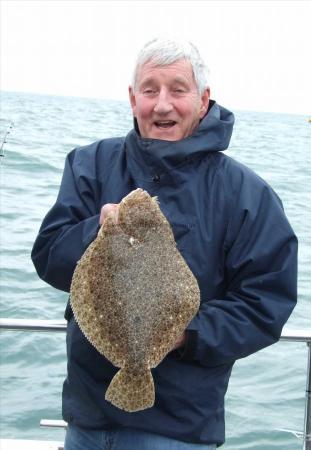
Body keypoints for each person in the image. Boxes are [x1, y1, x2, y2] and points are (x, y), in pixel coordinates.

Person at [31, 37, 298, 449]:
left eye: (178, 89)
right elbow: (49, 257)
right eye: (150, 89)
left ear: (204, 100)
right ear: (132, 97)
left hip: (180, 429)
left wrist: (182, 333)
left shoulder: (247, 194)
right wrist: (95, 233)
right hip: (86, 417)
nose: (162, 104)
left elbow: (266, 303)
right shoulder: (89, 164)